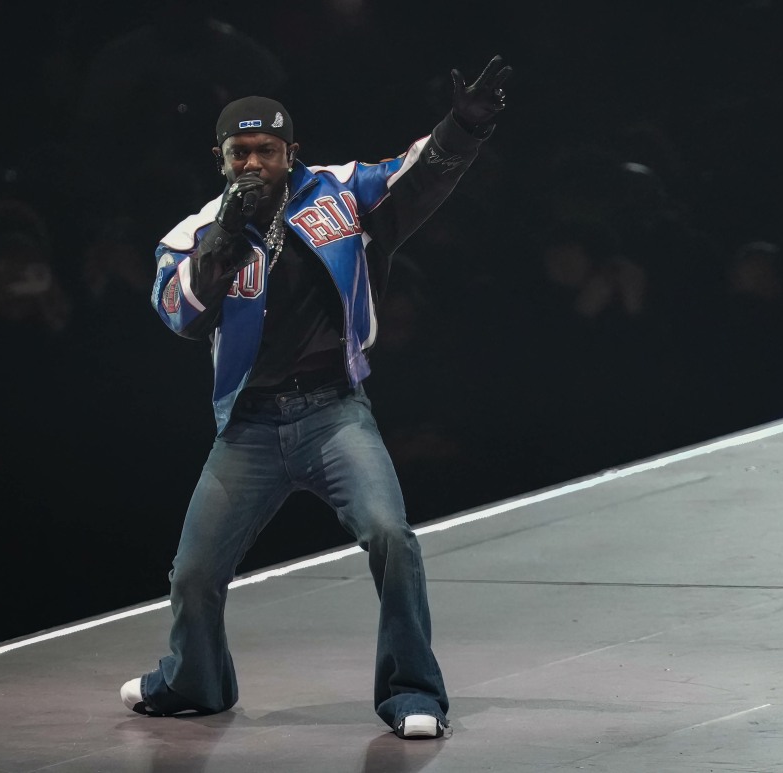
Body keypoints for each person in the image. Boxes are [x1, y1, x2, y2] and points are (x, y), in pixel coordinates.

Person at [121, 55, 513, 740]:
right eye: (239, 152)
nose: (253, 163)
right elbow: (180, 313)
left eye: (266, 150)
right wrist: (226, 238)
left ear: (291, 152)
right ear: (219, 158)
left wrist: (464, 128)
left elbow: (414, 175)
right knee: (193, 574)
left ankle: (412, 692)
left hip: (333, 413)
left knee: (391, 537)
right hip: (249, 427)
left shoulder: (341, 193)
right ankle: (193, 681)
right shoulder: (195, 232)